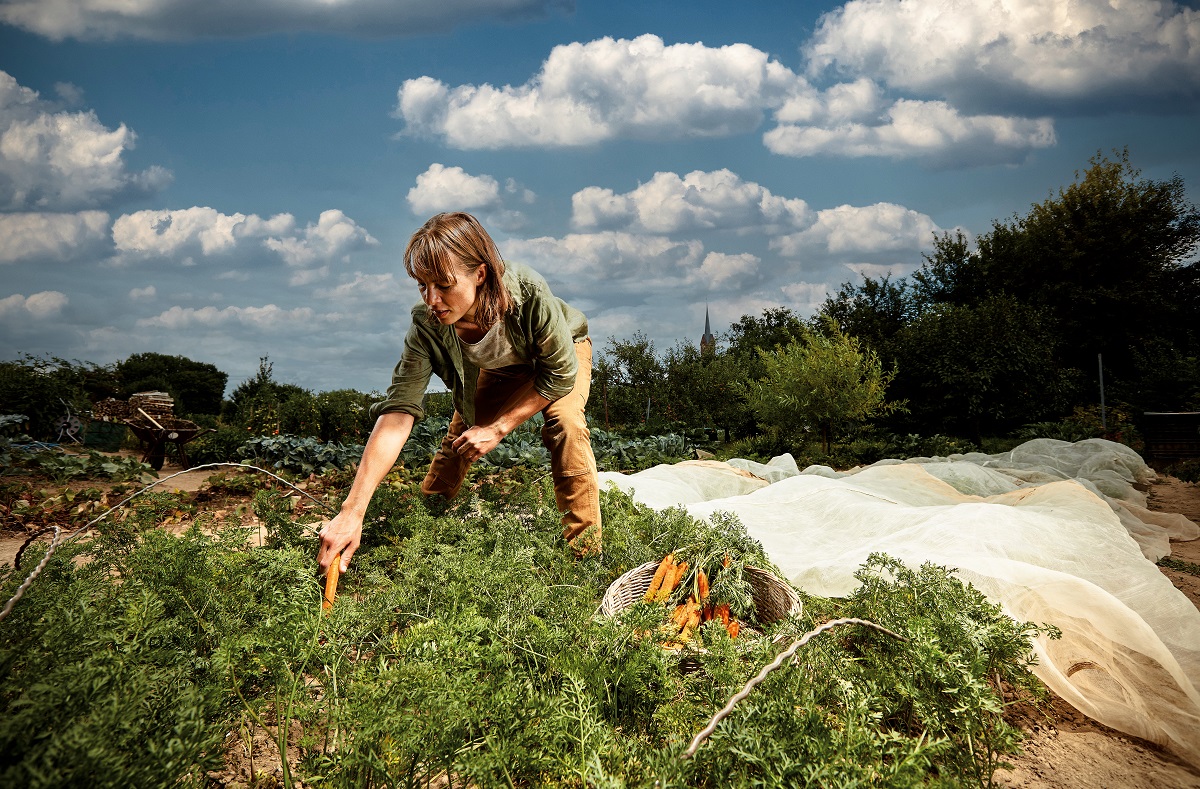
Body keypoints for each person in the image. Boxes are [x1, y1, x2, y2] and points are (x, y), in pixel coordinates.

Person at [318, 212, 601, 574]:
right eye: (422, 286)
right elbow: (397, 415)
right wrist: (350, 511)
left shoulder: (527, 294)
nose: (432, 299)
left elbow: (559, 375)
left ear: (479, 274)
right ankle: (417, 530)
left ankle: (586, 559)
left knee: (566, 424)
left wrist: (497, 428)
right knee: (461, 439)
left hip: (558, 357)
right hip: (500, 369)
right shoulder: (426, 326)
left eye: (443, 285)